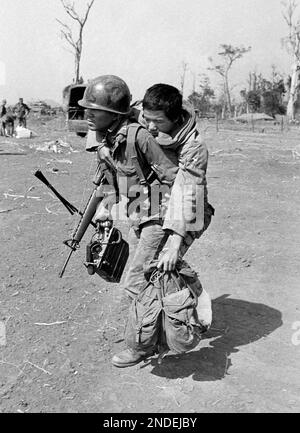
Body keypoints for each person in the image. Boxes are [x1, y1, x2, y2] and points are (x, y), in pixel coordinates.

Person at [80, 76, 212, 368]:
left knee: (138, 281)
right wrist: (110, 203)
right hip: (148, 210)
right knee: (156, 273)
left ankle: (140, 345)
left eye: (157, 122)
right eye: (146, 119)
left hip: (183, 211)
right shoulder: (140, 119)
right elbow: (102, 127)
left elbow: (185, 190)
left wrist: (175, 241)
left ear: (175, 118)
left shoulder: (193, 146)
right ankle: (189, 300)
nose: (149, 126)